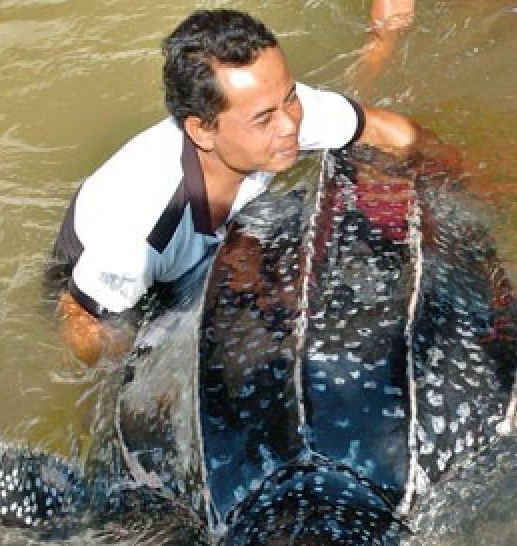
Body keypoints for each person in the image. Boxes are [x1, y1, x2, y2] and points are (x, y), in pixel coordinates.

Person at [53, 9, 423, 365]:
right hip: (101, 281)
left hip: (209, 235)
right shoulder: (136, 236)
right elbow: (83, 322)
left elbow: (398, 135)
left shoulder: (283, 115)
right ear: (202, 130)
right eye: (264, 117)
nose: (290, 126)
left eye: (290, 97)